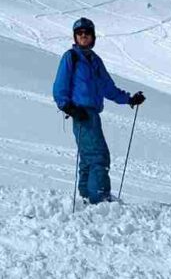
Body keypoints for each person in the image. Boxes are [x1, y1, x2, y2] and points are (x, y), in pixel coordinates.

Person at [52, 17, 145, 204]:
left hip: (92, 113)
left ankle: (87, 196)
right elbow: (59, 87)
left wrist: (129, 99)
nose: (83, 36)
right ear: (75, 37)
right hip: (81, 113)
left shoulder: (95, 61)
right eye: (79, 33)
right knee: (99, 156)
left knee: (88, 157)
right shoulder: (71, 57)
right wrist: (69, 107)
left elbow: (107, 87)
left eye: (87, 33)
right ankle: (100, 199)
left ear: (93, 37)